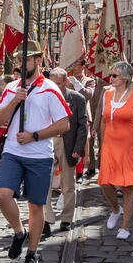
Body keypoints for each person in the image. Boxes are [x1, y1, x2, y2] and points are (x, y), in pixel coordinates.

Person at [0, 41, 71, 263]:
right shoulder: (11, 88)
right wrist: (15, 100)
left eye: (26, 59)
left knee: (35, 206)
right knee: (2, 195)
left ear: (38, 60)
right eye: (19, 59)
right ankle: (20, 232)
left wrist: (35, 135)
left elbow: (63, 124)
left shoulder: (50, 88)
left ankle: (32, 252)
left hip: (39, 155)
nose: (21, 63)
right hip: (13, 152)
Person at [98, 61, 133, 240]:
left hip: (130, 147)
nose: (111, 78)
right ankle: (116, 209)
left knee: (129, 186)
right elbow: (104, 121)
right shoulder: (107, 95)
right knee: (105, 182)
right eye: (110, 75)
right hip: (109, 145)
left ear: (126, 77)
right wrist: (100, 144)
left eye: (114, 75)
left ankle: (125, 226)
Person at [44, 68, 88, 234]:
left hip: (67, 142)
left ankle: (66, 219)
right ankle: (46, 219)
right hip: (47, 141)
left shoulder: (77, 99)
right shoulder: (44, 96)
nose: (56, 86)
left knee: (68, 184)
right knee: (44, 183)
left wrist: (78, 148)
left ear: (66, 82)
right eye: (53, 83)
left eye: (59, 84)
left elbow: (82, 126)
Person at [0, 75, 14, 171]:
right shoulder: (3, 97)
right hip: (1, 129)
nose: (1, 87)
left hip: (9, 129)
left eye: (3, 85)